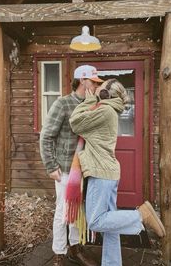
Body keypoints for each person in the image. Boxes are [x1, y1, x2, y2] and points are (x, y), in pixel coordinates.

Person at [69, 78, 166, 266]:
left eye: (101, 87)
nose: (97, 89)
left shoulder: (104, 110)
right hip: (107, 173)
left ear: (106, 94)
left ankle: (141, 215)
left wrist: (88, 101)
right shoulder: (109, 110)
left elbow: (75, 123)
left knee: (95, 221)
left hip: (101, 173)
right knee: (111, 226)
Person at [40, 65, 103, 266]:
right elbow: (46, 136)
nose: (96, 84)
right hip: (66, 169)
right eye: (94, 81)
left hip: (87, 169)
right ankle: (59, 252)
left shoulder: (94, 105)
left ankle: (75, 249)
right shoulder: (63, 104)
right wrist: (50, 166)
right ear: (83, 81)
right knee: (62, 212)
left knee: (80, 210)